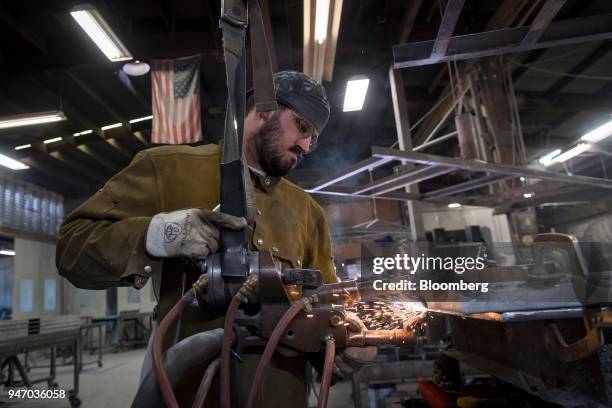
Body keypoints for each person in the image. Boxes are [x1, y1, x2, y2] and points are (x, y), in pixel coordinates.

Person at [56, 71, 375, 407]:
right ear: (264, 109)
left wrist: (345, 349)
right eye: (302, 126)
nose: (306, 146)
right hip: (190, 393)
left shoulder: (309, 213)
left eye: (314, 138)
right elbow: (71, 249)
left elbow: (326, 310)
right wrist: (160, 234)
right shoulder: (167, 169)